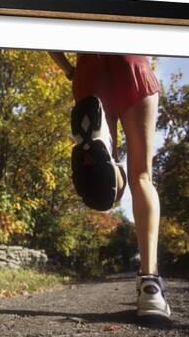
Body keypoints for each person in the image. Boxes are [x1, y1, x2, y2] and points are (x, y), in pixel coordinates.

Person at [49, 51, 171, 318]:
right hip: (133, 62)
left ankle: (102, 150)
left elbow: (45, 31)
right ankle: (150, 286)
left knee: (109, 193)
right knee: (142, 176)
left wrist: (69, 69)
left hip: (89, 69)